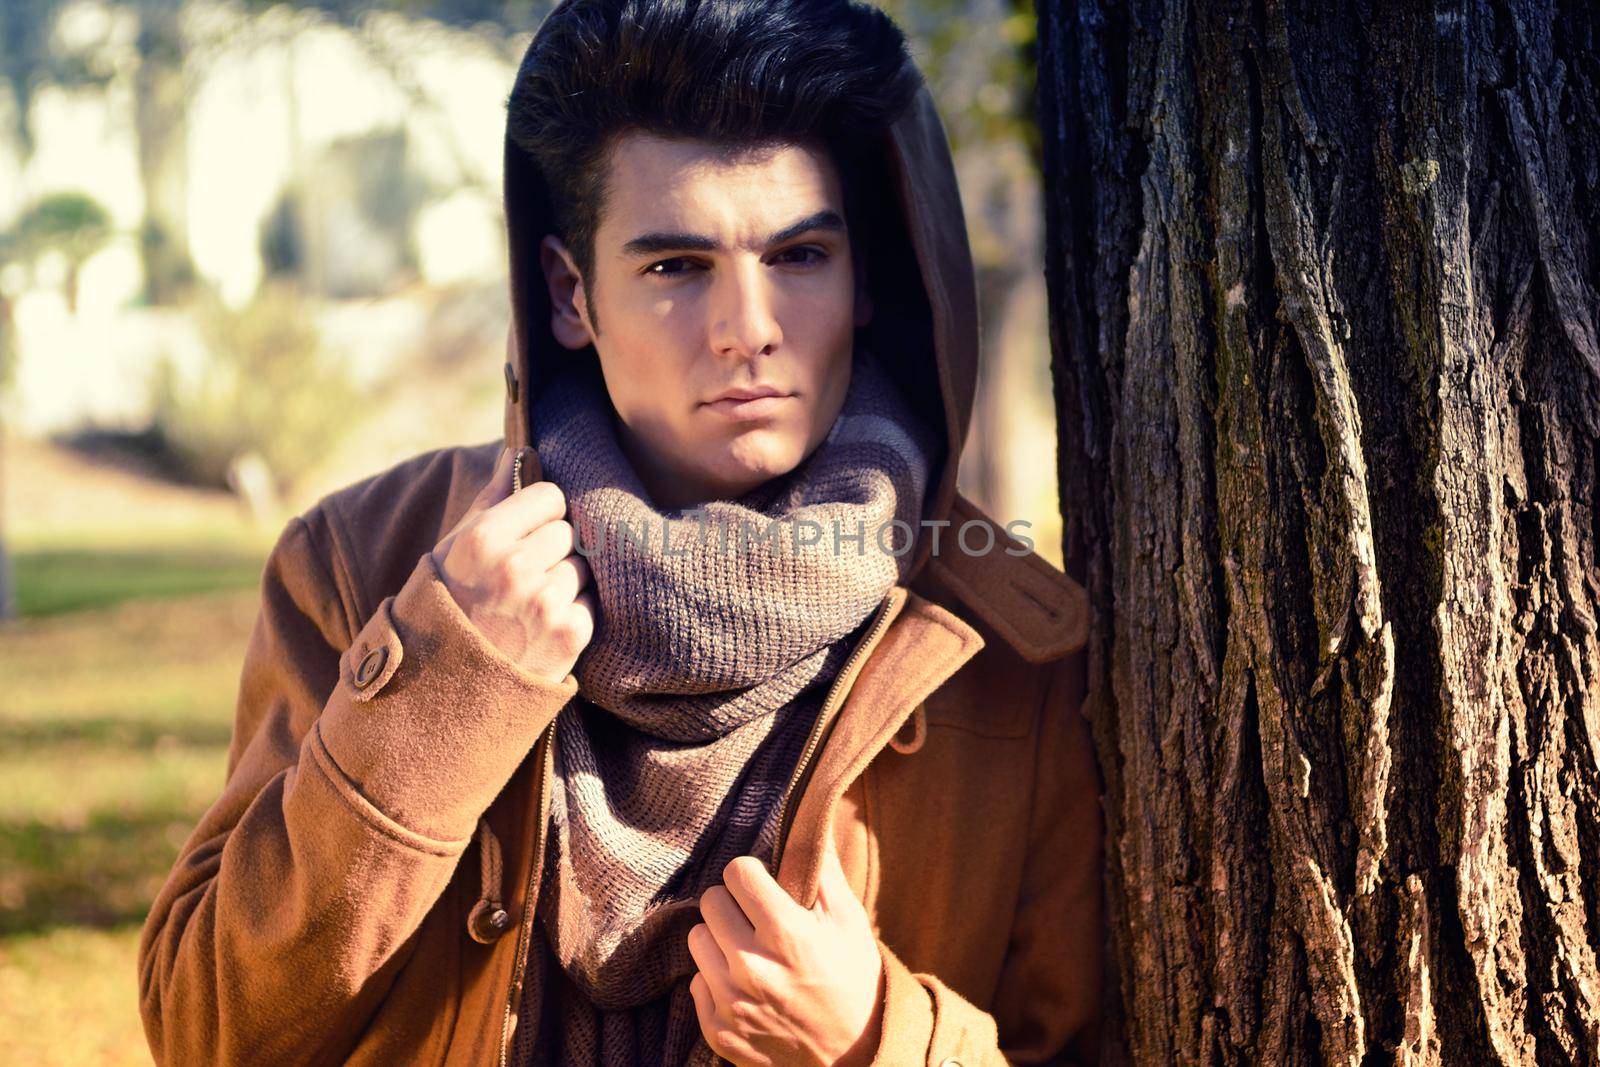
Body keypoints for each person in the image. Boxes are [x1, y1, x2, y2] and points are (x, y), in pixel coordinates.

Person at [135, 0, 1103, 1063]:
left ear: (865, 273)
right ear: (569, 292)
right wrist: (432, 698)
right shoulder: (366, 560)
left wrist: (879, 1039)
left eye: (799, 256)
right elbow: (203, 1032)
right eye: (675, 267)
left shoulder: (1010, 652)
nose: (749, 330)